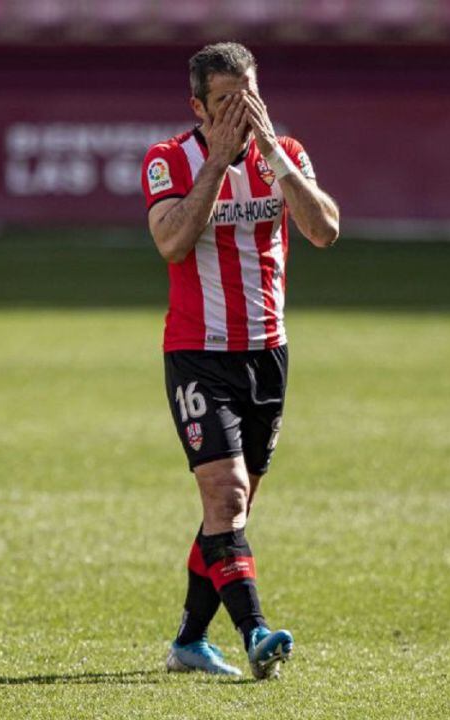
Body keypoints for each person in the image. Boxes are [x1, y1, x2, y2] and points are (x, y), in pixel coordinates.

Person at [140, 42, 340, 679]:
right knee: (225, 498)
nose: (241, 112)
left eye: (249, 96)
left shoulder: (286, 155)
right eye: (225, 102)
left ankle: (189, 642)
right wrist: (218, 165)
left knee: (231, 511)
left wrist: (276, 156)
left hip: (267, 354)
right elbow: (171, 243)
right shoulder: (171, 160)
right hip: (199, 354)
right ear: (197, 106)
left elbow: (325, 229)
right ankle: (256, 633)